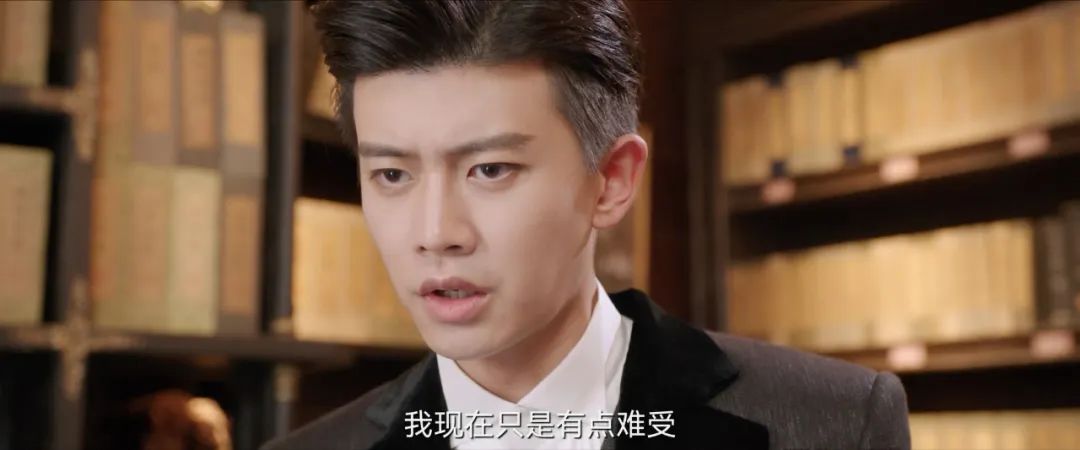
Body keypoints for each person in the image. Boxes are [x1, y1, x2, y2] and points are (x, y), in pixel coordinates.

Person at [264, 1, 910, 449]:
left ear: (612, 180)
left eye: (490, 169)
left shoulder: (833, 423)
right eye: (392, 174)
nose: (435, 233)